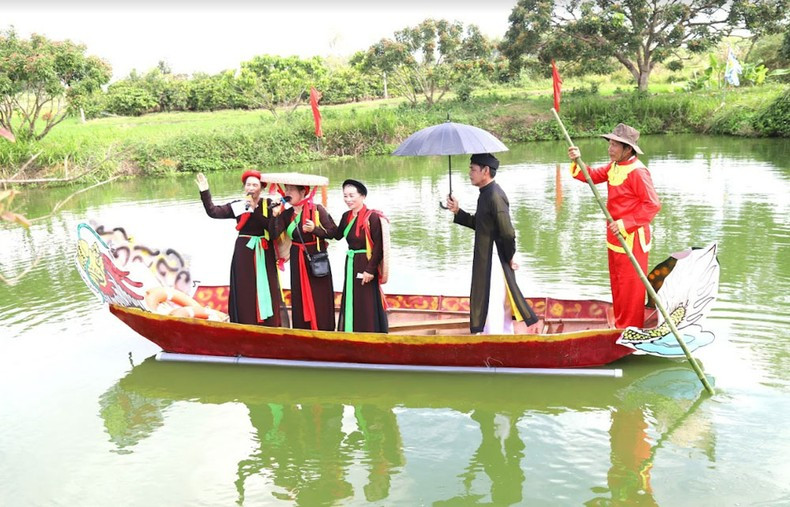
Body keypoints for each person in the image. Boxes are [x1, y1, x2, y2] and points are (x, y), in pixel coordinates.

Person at [567, 123, 661, 328]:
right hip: (614, 236)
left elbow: (652, 205)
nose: (610, 149)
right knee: (618, 283)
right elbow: (592, 176)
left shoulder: (638, 172)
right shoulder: (614, 166)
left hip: (632, 238)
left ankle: (630, 327)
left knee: (631, 287)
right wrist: (577, 159)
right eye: (609, 144)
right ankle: (620, 323)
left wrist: (626, 224)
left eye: (615, 145)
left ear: (628, 149)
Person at [446, 153, 538, 335]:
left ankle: (496, 339)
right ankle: (498, 336)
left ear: (485, 171)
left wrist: (509, 256)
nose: (469, 173)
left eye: (473, 169)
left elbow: (508, 232)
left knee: (493, 301)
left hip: (494, 258)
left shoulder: (494, 196)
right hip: (489, 256)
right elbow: (481, 225)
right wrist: (458, 211)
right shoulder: (485, 194)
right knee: (493, 300)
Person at [196, 170, 285, 326]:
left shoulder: (269, 204)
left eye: (255, 185)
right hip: (244, 252)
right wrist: (205, 191)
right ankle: (245, 322)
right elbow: (213, 211)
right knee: (245, 286)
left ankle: (269, 323)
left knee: (268, 285)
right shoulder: (239, 205)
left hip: (265, 250)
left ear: (261, 188)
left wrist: (266, 213)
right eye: (248, 185)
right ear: (244, 187)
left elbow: (274, 232)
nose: (251, 188)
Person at [272, 183, 338, 331]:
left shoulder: (317, 210)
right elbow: (274, 234)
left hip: (316, 258)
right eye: (286, 189)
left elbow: (334, 232)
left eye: (291, 190)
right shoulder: (286, 214)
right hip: (297, 257)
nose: (287, 192)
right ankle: (303, 328)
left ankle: (323, 328)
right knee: (299, 293)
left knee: (319, 294)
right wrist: (275, 215)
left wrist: (315, 229)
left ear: (303, 192)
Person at [331, 179, 388, 333]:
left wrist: (370, 270)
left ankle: (370, 332)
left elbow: (379, 247)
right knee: (353, 296)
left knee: (366, 299)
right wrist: (316, 227)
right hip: (351, 262)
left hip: (366, 263)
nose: (348, 199)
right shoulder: (346, 216)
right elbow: (336, 235)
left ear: (362, 196)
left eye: (352, 195)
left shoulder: (372, 217)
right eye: (345, 196)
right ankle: (351, 330)